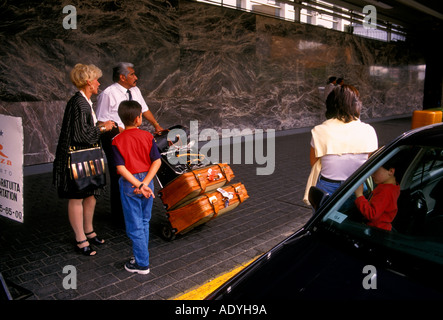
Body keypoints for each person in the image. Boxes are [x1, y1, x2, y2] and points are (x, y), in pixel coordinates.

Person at [53, 63, 116, 256]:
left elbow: (83, 128)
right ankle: (80, 238)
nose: (99, 83)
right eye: (96, 80)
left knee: (90, 195)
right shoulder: (78, 103)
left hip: (86, 158)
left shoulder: (85, 101)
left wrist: (100, 125)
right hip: (77, 159)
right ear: (88, 82)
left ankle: (89, 231)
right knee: (77, 197)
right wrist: (103, 127)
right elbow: (82, 135)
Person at [96, 62, 163, 228]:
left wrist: (156, 124)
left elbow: (144, 109)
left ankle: (137, 208)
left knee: (136, 169)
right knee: (119, 174)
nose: (136, 77)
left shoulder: (135, 90)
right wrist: (121, 131)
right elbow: (101, 120)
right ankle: (120, 218)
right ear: (122, 76)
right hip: (114, 137)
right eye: (132, 74)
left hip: (131, 134)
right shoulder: (108, 94)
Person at [303, 85, 378, 205]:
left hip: (327, 187)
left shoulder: (320, 130)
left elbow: (315, 163)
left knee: (323, 222)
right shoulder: (369, 130)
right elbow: (370, 160)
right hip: (358, 187)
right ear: (357, 105)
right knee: (353, 220)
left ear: (330, 104)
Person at [111, 100, 162, 274]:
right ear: (139, 118)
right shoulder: (148, 136)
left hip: (130, 184)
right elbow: (157, 161)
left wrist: (138, 184)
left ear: (121, 119)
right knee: (144, 221)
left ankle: (142, 263)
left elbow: (120, 168)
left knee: (135, 226)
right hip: (147, 182)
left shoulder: (116, 140)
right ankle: (141, 256)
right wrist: (145, 183)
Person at [354, 158, 401, 231]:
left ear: (391, 171)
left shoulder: (385, 191)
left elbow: (372, 215)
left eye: (375, 171)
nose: (372, 175)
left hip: (375, 230)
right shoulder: (393, 187)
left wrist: (359, 195)